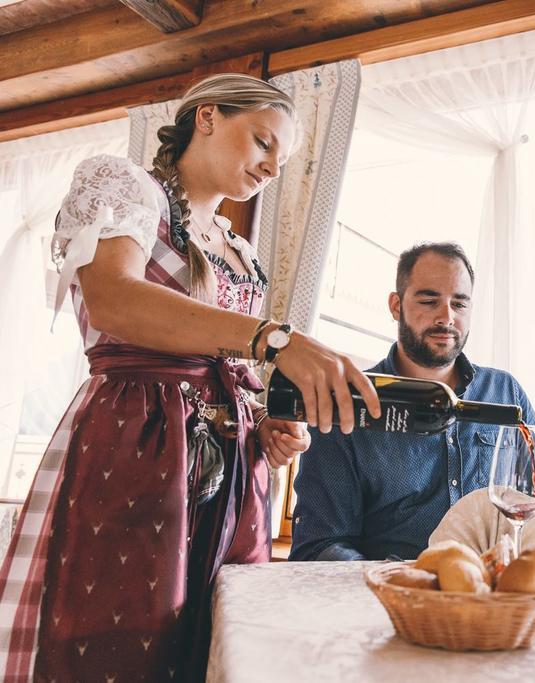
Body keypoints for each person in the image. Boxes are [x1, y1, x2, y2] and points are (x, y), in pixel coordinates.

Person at [0, 74, 380, 682]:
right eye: (262, 141)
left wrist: (266, 427)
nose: (272, 167)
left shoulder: (239, 250)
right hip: (137, 439)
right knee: (125, 638)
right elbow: (115, 302)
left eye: (282, 159)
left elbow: (225, 365)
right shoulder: (125, 187)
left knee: (221, 636)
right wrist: (273, 338)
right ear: (206, 117)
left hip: (233, 470)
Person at [289, 242, 535, 562]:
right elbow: (319, 545)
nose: (446, 316)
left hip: (501, 599)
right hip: (396, 601)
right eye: (429, 300)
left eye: (460, 303)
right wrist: (407, 582)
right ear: (396, 306)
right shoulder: (346, 404)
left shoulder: (505, 392)